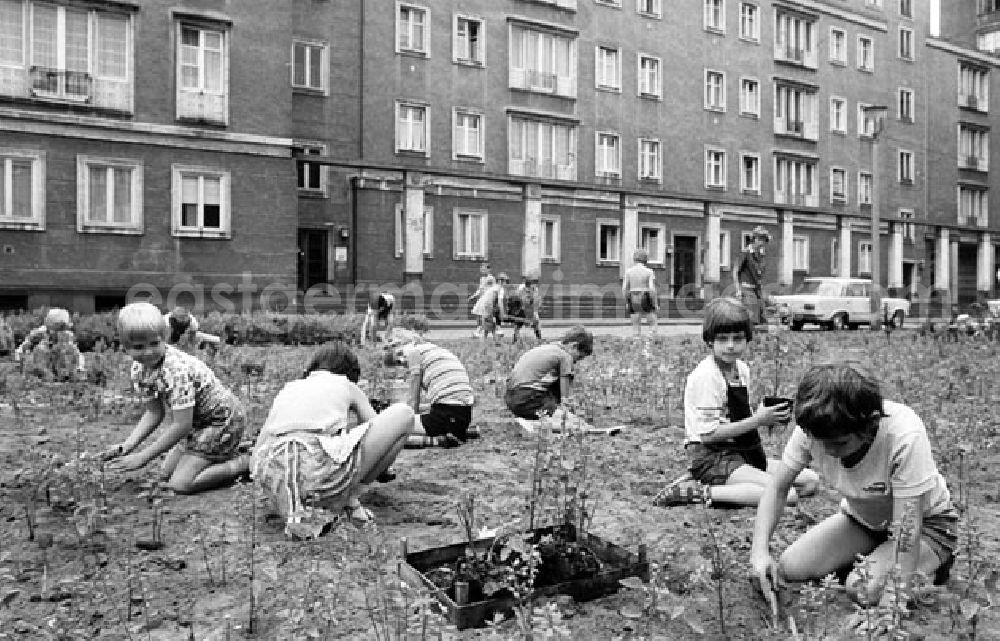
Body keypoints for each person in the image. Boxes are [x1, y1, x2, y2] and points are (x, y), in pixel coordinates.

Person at [751, 364, 958, 613]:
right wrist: (759, 552)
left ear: (871, 424)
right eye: (820, 441)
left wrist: (893, 602)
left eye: (839, 443)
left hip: (927, 526)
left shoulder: (904, 435)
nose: (827, 451)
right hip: (865, 522)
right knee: (791, 567)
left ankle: (934, 565)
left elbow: (907, 527)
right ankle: (879, 557)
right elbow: (777, 488)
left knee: (863, 589)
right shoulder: (816, 426)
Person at [252, 342, 413, 533]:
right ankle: (349, 500)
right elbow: (376, 426)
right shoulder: (346, 385)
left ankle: (296, 509)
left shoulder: (290, 388)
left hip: (275, 478)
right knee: (404, 415)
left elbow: (255, 456)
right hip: (317, 475)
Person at [674, 298, 818, 507]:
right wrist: (757, 420)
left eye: (738, 338)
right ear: (710, 341)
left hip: (740, 452)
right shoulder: (708, 376)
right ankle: (701, 491)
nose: (731, 346)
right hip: (710, 457)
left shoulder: (741, 369)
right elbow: (708, 435)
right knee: (787, 495)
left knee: (810, 482)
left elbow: (737, 415)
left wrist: (766, 417)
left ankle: (730, 486)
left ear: (747, 339)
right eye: (723, 339)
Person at [103, 302, 249, 494]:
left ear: (164, 338)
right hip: (198, 424)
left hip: (222, 422)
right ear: (125, 347)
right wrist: (127, 446)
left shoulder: (175, 371)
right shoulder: (139, 369)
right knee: (164, 474)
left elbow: (182, 425)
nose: (148, 352)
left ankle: (244, 461)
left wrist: (144, 457)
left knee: (180, 484)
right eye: (139, 347)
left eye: (154, 343)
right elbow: (154, 412)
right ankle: (219, 453)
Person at [382, 329, 476, 448]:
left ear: (400, 345)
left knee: (391, 429)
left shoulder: (412, 353)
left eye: (399, 360)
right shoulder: (432, 350)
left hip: (447, 416)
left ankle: (437, 441)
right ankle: (459, 433)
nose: (403, 364)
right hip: (462, 416)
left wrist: (404, 418)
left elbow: (413, 400)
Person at [504, 325, 593, 420]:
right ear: (574, 346)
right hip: (527, 399)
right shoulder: (566, 356)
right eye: (579, 357)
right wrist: (567, 410)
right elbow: (565, 390)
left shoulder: (550, 347)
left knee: (552, 379)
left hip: (511, 398)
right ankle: (555, 413)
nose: (576, 362)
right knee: (568, 418)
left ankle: (548, 411)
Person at [14, 307, 85, 380]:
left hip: (57, 366)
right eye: (60, 327)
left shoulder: (67, 335)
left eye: (62, 327)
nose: (61, 330)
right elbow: (22, 348)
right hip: (40, 368)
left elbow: (77, 353)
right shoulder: (38, 334)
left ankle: (63, 375)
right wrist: (20, 361)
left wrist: (80, 367)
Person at [734, 226, 772, 325]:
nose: (762, 243)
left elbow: (759, 274)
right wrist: (738, 290)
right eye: (760, 239)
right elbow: (735, 272)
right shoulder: (745, 253)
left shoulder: (761, 255)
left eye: (764, 240)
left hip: (757, 290)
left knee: (763, 319)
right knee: (752, 319)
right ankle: (750, 338)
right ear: (754, 239)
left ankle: (761, 339)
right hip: (747, 289)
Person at [623, 249, 659, 337]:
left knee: (635, 327)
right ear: (645, 259)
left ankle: (636, 344)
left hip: (632, 297)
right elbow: (652, 289)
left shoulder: (628, 272)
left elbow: (624, 288)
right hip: (645, 297)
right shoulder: (649, 272)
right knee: (653, 324)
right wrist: (655, 303)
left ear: (634, 259)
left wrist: (627, 301)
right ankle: (648, 343)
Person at [508, 272, 543, 341]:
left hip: (530, 309)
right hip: (522, 309)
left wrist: (535, 307)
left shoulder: (534, 289)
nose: (534, 284)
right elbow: (519, 299)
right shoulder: (521, 288)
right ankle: (515, 340)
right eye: (532, 282)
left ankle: (539, 338)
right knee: (517, 325)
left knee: (536, 323)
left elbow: (536, 300)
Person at [468, 263, 496, 338]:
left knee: (485, 316)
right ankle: (479, 330)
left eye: (484, 269)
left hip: (488, 299)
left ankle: (481, 331)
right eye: (481, 269)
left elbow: (493, 289)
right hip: (482, 298)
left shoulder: (491, 278)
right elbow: (480, 289)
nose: (482, 270)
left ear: (488, 269)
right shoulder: (482, 279)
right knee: (479, 315)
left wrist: (492, 299)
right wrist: (473, 296)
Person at [480, 272, 509, 342]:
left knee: (490, 327)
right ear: (500, 281)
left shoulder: (494, 287)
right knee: (489, 327)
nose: (506, 283)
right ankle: (488, 342)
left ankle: (494, 342)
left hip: (487, 308)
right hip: (490, 309)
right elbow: (500, 302)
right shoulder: (499, 289)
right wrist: (502, 314)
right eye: (505, 281)